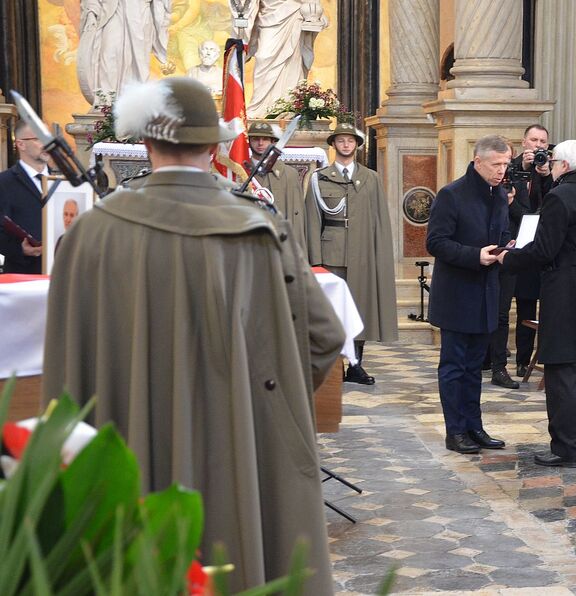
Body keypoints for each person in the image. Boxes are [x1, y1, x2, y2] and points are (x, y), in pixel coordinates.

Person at [41, 77, 343, 592]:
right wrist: (263, 405)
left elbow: (69, 360)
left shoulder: (90, 234)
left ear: (146, 144)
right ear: (216, 145)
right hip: (240, 448)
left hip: (123, 442)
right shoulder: (261, 230)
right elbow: (323, 338)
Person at [498, 140, 576, 467]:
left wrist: (509, 258)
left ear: (561, 164)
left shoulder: (559, 197)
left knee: (563, 368)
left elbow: (544, 250)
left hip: (564, 288)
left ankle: (565, 448)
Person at [426, 135, 511, 454]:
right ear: (478, 162)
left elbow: (500, 233)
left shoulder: (500, 195)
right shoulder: (452, 195)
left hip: (486, 292)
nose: (502, 170)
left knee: (476, 366)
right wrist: (475, 255)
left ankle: (474, 427)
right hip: (457, 294)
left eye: (505, 164)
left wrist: (507, 247)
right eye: (496, 164)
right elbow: (436, 242)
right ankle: (455, 431)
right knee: (454, 365)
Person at [304, 122, 398, 384]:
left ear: (357, 145)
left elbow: (380, 219)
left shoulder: (371, 178)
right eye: (341, 140)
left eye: (350, 141)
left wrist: (380, 255)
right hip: (332, 253)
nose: (346, 145)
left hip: (364, 252)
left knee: (360, 308)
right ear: (333, 144)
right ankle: (334, 368)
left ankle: (356, 364)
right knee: (332, 312)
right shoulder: (319, 178)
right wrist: (315, 260)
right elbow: (312, 221)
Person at [503, 124, 553, 383]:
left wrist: (544, 174)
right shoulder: (508, 168)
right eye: (534, 140)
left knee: (527, 309)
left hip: (533, 249)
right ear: (524, 142)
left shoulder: (549, 170)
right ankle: (495, 358)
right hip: (510, 244)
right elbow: (505, 198)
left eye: (543, 141)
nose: (538, 145)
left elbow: (549, 205)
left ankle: (523, 361)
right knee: (500, 308)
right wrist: (521, 168)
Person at [237, 0, 329, 117]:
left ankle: (288, 106)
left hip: (293, 14)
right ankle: (259, 107)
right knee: (264, 57)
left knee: (292, 63)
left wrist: (316, 8)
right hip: (269, 15)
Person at [76, 0, 171, 106]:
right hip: (111, 10)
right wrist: (91, 13)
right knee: (108, 54)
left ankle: (134, 103)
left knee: (138, 62)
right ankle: (106, 101)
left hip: (140, 12)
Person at [0, 121, 50, 274]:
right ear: (21, 144)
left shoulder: (65, 180)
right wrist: (20, 249)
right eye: (39, 138)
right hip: (23, 275)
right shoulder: (4, 182)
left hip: (63, 274)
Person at [247, 120, 305, 246]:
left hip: (280, 243)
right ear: (249, 141)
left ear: (273, 142)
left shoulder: (289, 174)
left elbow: (297, 218)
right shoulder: (241, 173)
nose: (260, 143)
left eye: (265, 139)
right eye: (256, 139)